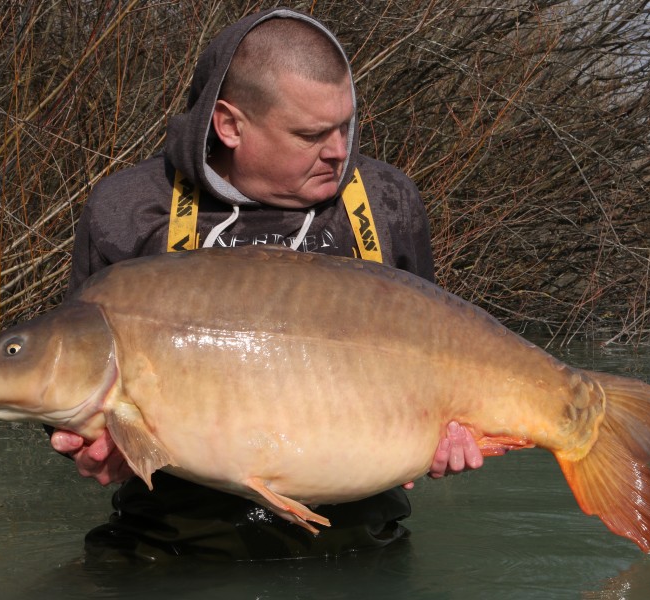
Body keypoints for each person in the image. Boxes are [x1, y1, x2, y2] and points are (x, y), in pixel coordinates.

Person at [50, 7, 484, 562]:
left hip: (358, 550)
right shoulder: (131, 208)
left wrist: (447, 436)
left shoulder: (387, 200)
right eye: (311, 134)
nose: (338, 150)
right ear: (229, 126)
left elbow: (438, 355)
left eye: (345, 126)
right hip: (170, 549)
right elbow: (71, 370)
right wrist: (84, 448)